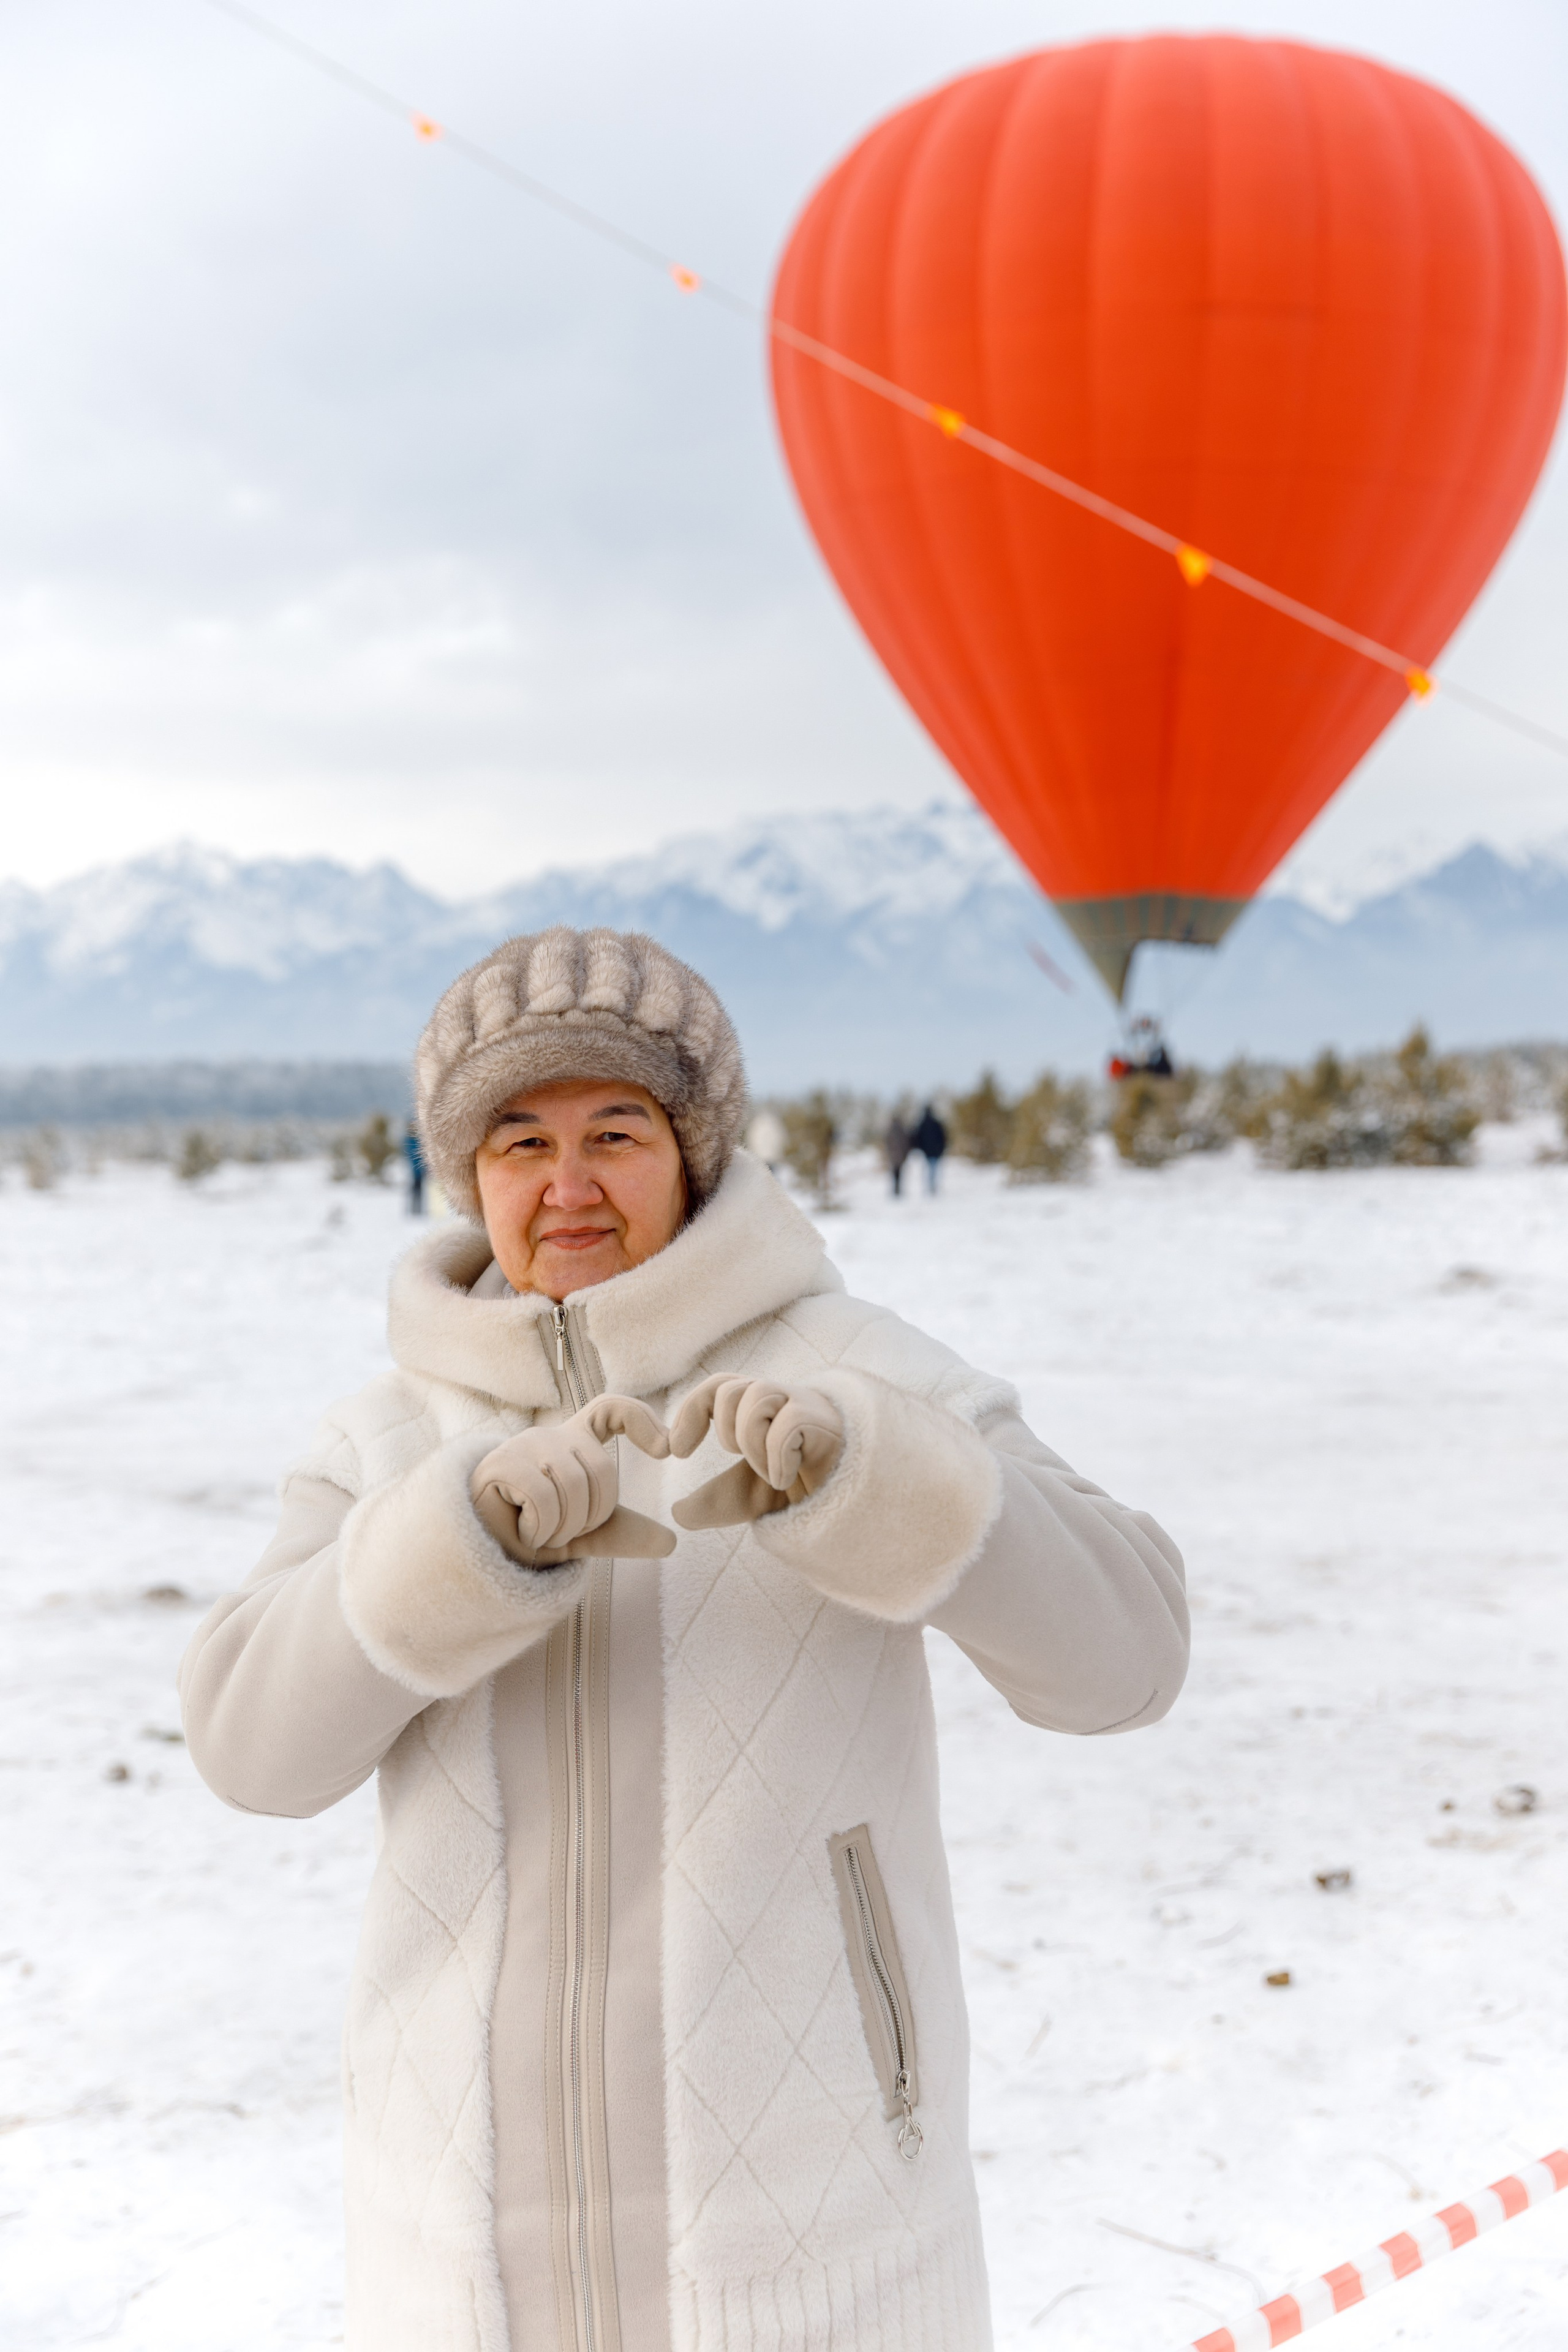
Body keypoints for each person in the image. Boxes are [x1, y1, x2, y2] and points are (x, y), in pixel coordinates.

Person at [178, 925, 1187, 2352]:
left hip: (822, 2253)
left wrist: (890, 1487)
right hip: (455, 2271)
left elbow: (1126, 1656)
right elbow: (248, 1749)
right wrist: (444, 1546)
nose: (567, 1182)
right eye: (518, 1138)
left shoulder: (860, 1373)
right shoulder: (381, 1440)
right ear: (468, 1172)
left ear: (694, 1151)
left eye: (616, 1128)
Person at [911, 1101, 948, 1194]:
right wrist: (941, 1148)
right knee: (933, 1169)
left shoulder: (922, 1124)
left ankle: (930, 1186)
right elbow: (943, 1137)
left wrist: (921, 1148)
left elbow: (917, 1138)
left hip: (927, 1152)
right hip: (935, 1151)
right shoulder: (936, 1123)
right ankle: (932, 1186)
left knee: (929, 1169)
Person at [884, 1109, 912, 1196]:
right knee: (899, 1173)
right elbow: (906, 1143)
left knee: (894, 1172)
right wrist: (906, 1153)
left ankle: (895, 1189)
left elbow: (887, 1143)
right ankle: (898, 1188)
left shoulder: (890, 1130)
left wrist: (888, 1152)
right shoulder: (903, 1130)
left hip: (893, 1155)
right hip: (901, 1155)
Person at [402, 1119, 426, 1214]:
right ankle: (415, 1210)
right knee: (416, 1190)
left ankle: (415, 1209)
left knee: (416, 1190)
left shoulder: (410, 1140)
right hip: (416, 1170)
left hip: (415, 1169)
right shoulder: (413, 1141)